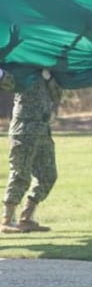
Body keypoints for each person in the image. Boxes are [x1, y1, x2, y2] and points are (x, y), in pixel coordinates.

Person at [2, 70, 58, 233]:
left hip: (42, 130)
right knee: (20, 175)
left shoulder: (47, 74)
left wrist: (49, 78)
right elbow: (7, 83)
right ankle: (7, 220)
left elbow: (56, 96)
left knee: (48, 175)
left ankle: (27, 217)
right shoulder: (21, 70)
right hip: (24, 129)